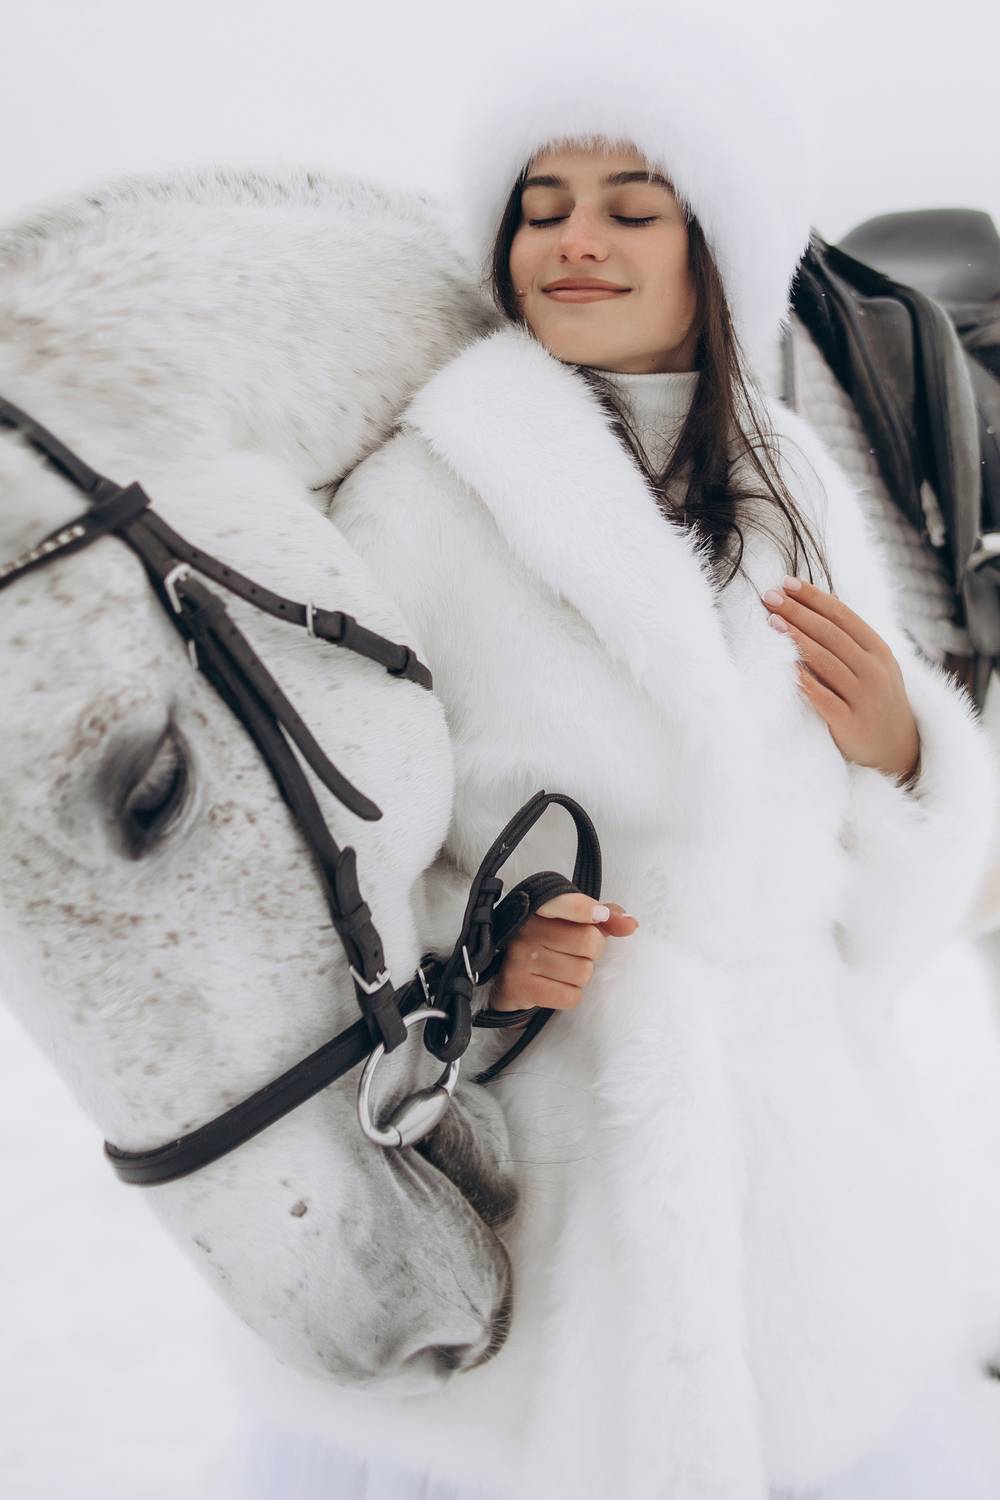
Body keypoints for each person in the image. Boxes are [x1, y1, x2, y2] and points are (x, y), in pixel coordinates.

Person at [322, 6, 1000, 1497]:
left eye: (634, 208)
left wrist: (905, 761)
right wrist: (472, 962)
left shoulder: (798, 483)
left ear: (716, 248)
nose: (577, 239)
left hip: (805, 1194)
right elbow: (329, 850)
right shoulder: (415, 502)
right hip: (548, 1180)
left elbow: (875, 935)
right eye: (542, 207)